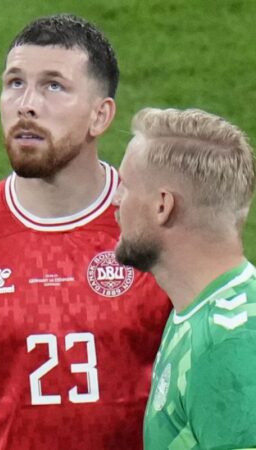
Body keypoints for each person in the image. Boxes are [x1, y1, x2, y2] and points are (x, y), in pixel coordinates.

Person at [0, 14, 170, 450]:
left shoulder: (157, 224)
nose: (26, 104)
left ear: (100, 115)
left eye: (53, 86)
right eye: (15, 83)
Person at [113, 107, 256, 449]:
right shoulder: (197, 310)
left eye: (126, 187)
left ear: (162, 206)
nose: (115, 203)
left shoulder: (230, 347)